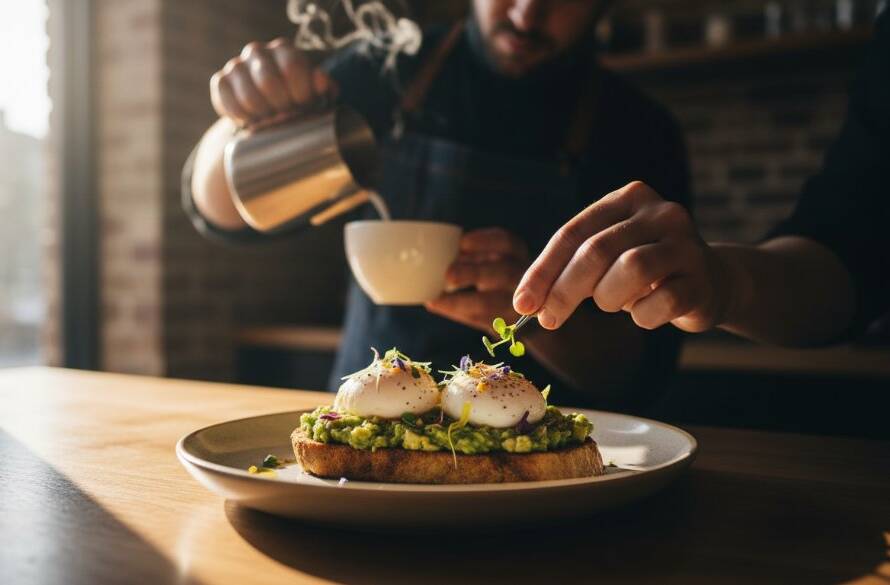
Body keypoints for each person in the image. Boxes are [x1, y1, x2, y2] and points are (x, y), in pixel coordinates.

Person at [184, 0, 692, 410]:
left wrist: (541, 317)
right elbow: (220, 214)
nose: (525, 14)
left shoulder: (640, 132)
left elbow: (641, 376)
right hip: (365, 424)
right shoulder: (387, 67)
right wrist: (242, 117)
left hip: (538, 463)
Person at [513, 11, 889, 347]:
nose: (526, 13)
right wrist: (724, 284)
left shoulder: (639, 127)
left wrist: (721, 284)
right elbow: (852, 246)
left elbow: (854, 250)